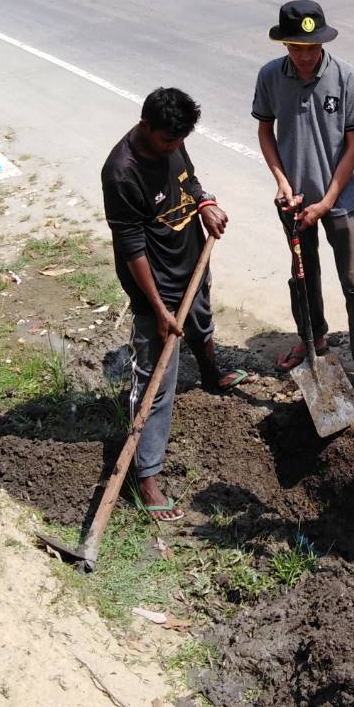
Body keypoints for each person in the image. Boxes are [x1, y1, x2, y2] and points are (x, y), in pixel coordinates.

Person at [102, 87, 247, 523]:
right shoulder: (122, 173)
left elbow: (189, 179)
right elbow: (131, 247)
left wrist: (205, 204)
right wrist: (159, 310)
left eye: (181, 139)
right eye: (169, 140)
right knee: (156, 379)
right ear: (146, 126)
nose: (175, 146)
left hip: (190, 259)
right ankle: (144, 475)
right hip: (156, 286)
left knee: (202, 320)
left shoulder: (174, 142)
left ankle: (210, 373)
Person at [252, 0, 354, 411]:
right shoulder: (270, 76)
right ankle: (313, 338)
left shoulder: (346, 78)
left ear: (324, 42)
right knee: (302, 275)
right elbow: (266, 131)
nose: (305, 56)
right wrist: (282, 182)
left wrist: (326, 201)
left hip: (339, 201)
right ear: (284, 45)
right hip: (293, 204)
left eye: (312, 47)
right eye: (296, 47)